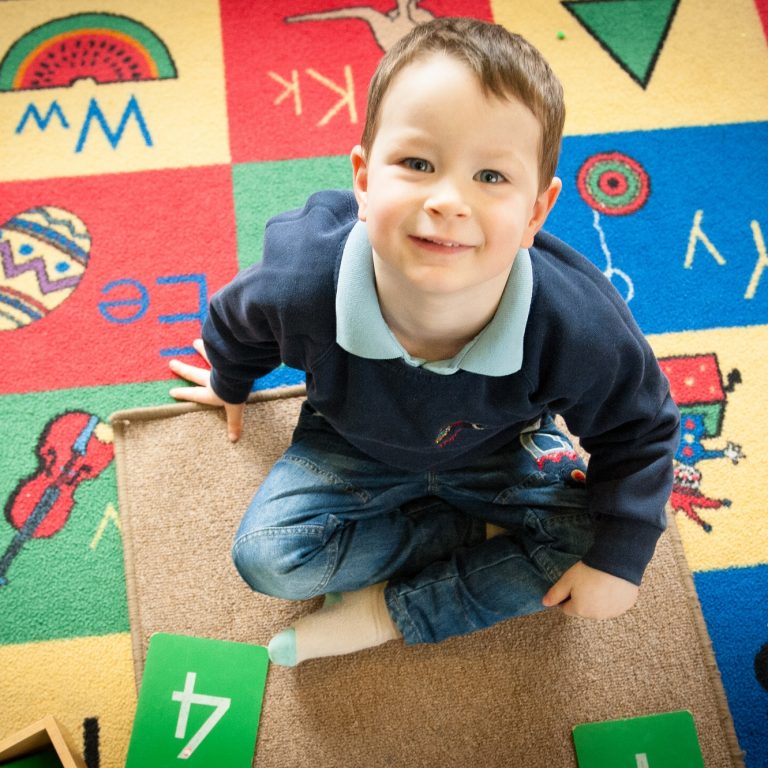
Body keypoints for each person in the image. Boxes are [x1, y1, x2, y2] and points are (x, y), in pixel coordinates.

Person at [168, 17, 680, 667]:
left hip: (502, 446)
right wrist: (228, 381)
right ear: (362, 178)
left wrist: (619, 560)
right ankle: (472, 534)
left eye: (491, 177)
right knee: (267, 560)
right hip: (350, 440)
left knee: (604, 551)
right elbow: (236, 321)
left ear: (535, 213)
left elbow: (641, 431)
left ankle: (387, 614)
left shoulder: (579, 325)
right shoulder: (299, 280)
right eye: (417, 163)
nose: (448, 200)